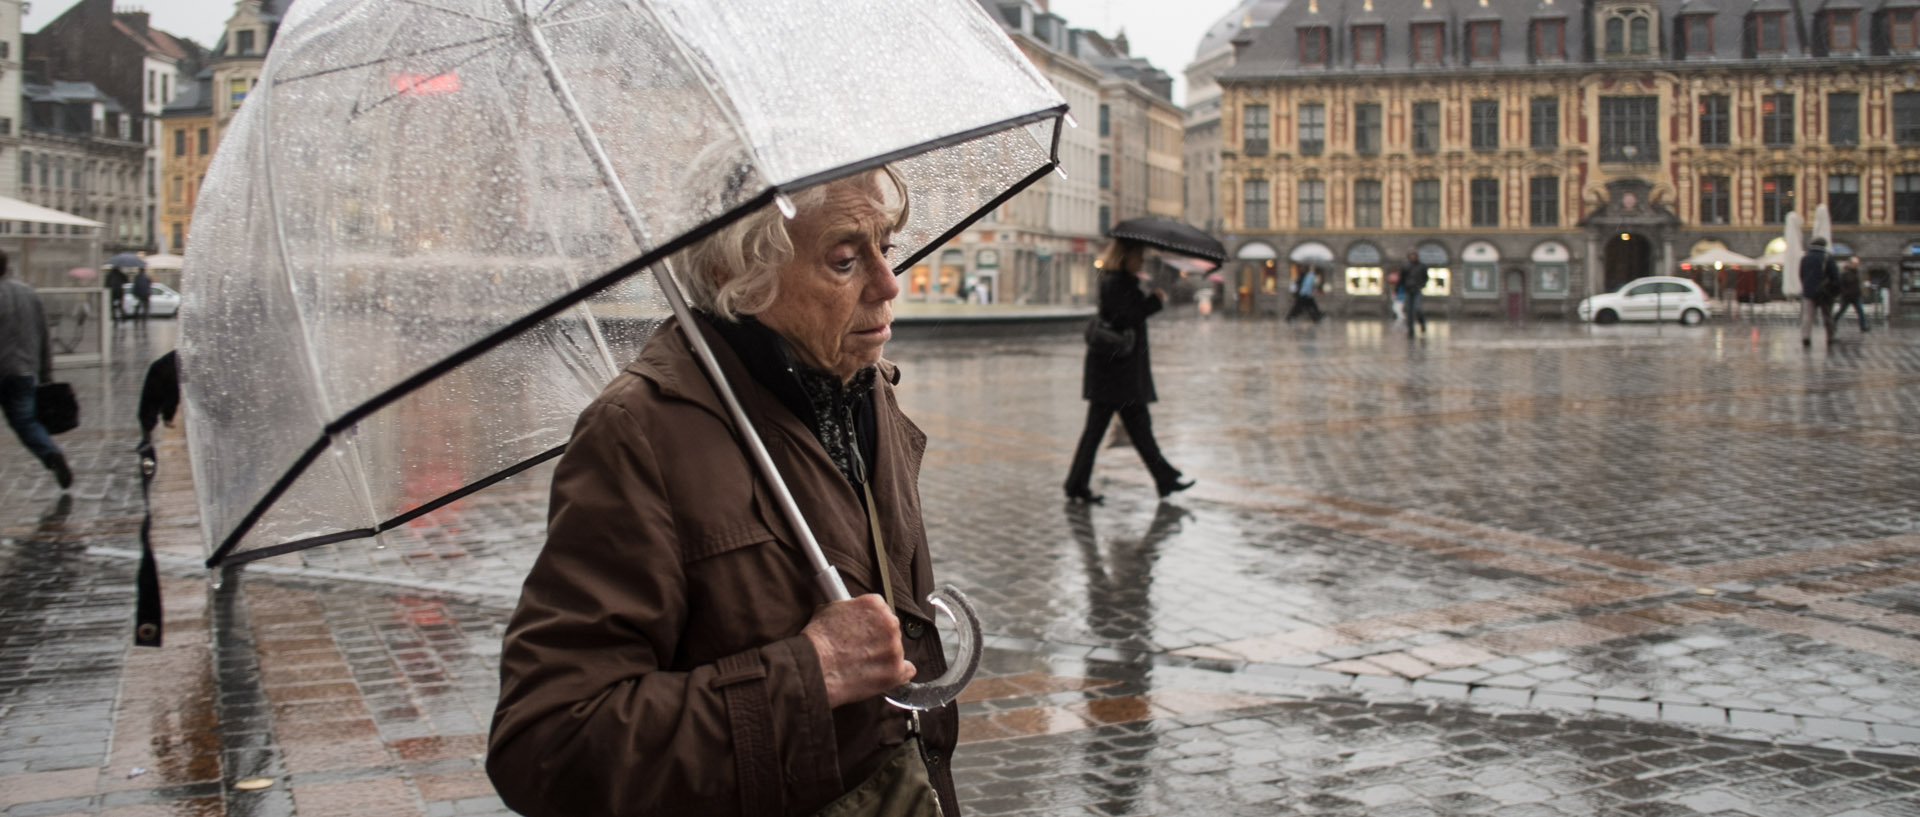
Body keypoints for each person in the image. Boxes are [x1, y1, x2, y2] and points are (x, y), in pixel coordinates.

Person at [488, 168, 962, 817]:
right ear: (739, 275)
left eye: (889, 248)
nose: (888, 285)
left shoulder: (865, 386)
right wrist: (804, 674)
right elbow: (549, 743)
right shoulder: (638, 434)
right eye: (846, 259)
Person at [1061, 239, 1193, 504]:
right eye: (1138, 257)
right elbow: (1124, 318)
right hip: (1115, 374)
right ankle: (1162, 478)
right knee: (1113, 431)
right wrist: (1153, 302)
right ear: (1126, 257)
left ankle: (1163, 478)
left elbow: (1127, 315)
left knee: (1133, 430)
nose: (1141, 261)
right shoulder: (1115, 283)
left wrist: (1148, 301)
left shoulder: (1121, 282)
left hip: (1116, 373)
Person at [0, 250, 73, 489]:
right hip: (24, 371)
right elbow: (44, 335)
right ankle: (51, 453)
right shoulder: (28, 293)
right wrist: (46, 373)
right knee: (26, 422)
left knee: (23, 420)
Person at [1798, 237, 1840, 348]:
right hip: (1825, 292)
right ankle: (1830, 337)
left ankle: (1806, 337)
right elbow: (1835, 276)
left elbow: (1801, 275)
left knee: (1807, 316)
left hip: (1808, 292)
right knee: (1827, 315)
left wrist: (1807, 286)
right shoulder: (1827, 258)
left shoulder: (1805, 258)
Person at [1831, 255, 1869, 334]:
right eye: (1854, 263)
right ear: (1850, 264)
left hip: (1855, 296)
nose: (1856, 265)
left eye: (1857, 263)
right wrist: (1844, 293)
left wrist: (1860, 292)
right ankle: (1832, 323)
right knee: (1841, 311)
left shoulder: (1856, 272)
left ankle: (1863, 326)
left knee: (1860, 312)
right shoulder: (1845, 273)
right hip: (1847, 296)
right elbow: (1841, 285)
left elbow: (1857, 284)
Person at [1399, 251, 1430, 337]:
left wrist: (1422, 285)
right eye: (1411, 256)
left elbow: (1426, 277)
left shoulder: (1422, 266)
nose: (1413, 257)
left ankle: (1422, 323)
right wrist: (1399, 289)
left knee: (1418, 308)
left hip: (1417, 290)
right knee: (1409, 311)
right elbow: (1401, 279)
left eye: (1414, 256)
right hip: (1408, 290)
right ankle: (1411, 330)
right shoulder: (1406, 266)